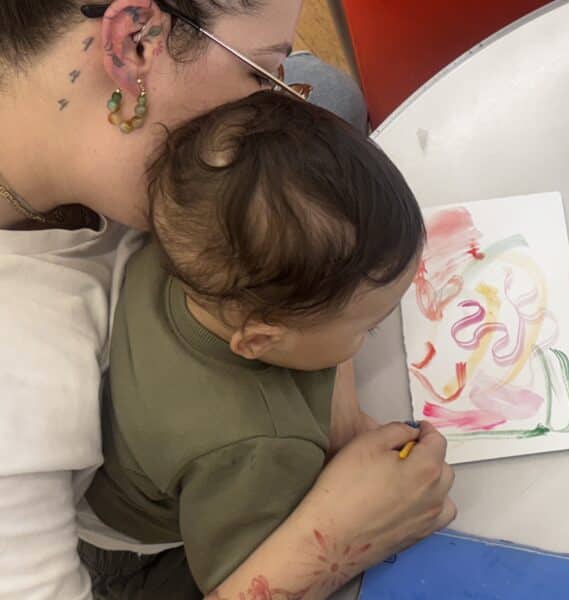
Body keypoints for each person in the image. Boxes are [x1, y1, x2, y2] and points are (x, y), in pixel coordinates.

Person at [0, 2, 455, 599]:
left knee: (331, 93)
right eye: (260, 71)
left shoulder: (160, 167)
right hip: (129, 547)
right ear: (135, 42)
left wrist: (337, 392)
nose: (280, 95)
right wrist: (335, 538)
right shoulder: (21, 379)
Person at [79, 90, 426, 597]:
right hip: (139, 559)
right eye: (367, 328)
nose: (372, 334)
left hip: (117, 481)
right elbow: (257, 572)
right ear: (260, 339)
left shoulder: (196, 256)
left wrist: (345, 409)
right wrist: (368, 517)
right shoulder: (260, 447)